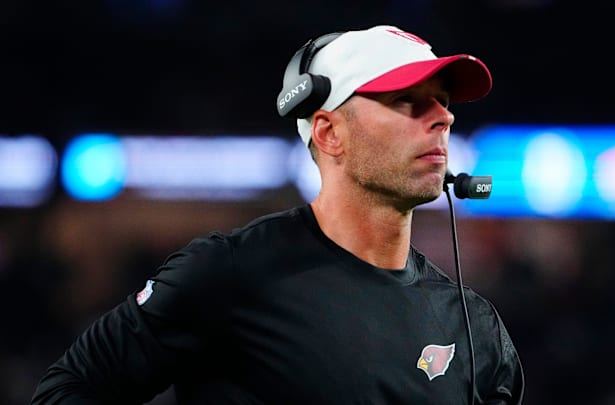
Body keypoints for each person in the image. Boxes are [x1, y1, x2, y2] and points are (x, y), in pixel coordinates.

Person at [32, 25, 524, 404]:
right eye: (408, 102)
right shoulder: (229, 274)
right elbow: (67, 390)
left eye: (441, 101)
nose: (443, 117)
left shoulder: (474, 326)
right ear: (330, 133)